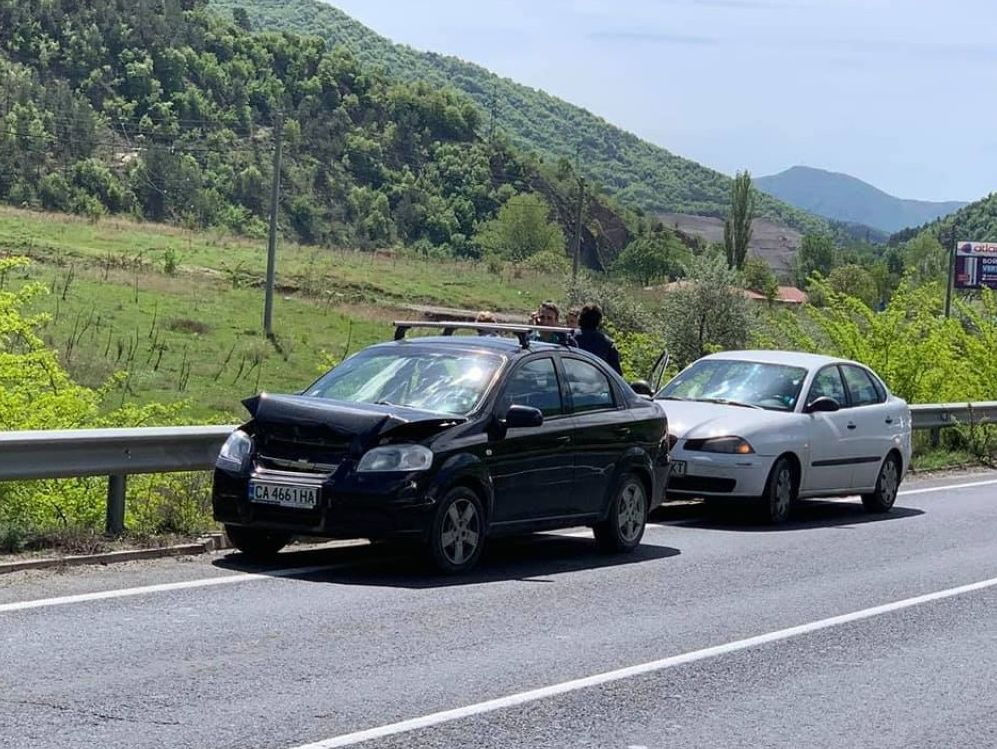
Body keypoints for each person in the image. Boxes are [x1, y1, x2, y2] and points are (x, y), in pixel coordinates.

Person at [574, 303, 622, 374]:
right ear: (599, 321)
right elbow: (616, 374)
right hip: (598, 383)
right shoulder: (608, 344)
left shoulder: (570, 338)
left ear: (580, 318)